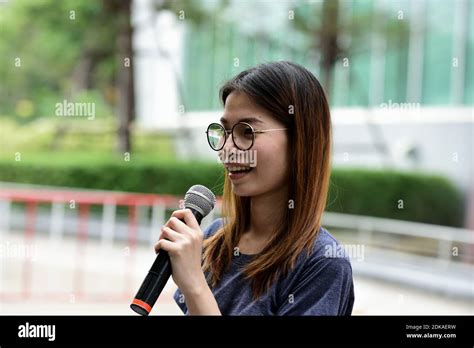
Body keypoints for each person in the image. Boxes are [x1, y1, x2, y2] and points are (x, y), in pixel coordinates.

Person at [155, 61, 355, 315]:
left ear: (300, 140)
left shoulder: (322, 263)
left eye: (247, 131)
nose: (228, 148)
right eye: (225, 131)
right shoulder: (216, 239)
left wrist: (195, 285)